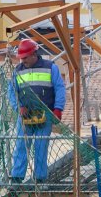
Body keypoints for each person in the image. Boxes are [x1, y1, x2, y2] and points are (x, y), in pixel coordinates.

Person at [8, 38, 66, 184]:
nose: (23, 61)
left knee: (41, 146)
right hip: (25, 114)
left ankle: (40, 179)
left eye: (25, 57)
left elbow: (59, 88)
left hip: (44, 114)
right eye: (21, 58)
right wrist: (18, 107)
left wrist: (58, 109)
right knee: (21, 145)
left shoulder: (50, 67)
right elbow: (12, 92)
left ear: (34, 54)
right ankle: (16, 178)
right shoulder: (17, 72)